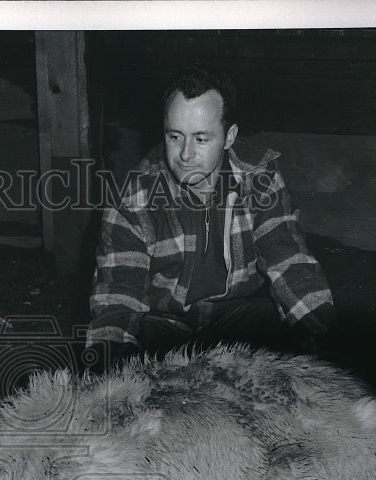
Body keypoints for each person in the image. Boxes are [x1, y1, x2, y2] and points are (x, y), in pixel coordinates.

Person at [87, 64, 336, 364]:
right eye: (175, 136)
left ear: (229, 137)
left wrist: (328, 342)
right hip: (163, 324)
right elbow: (118, 296)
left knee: (295, 353)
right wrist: (106, 369)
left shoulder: (261, 180)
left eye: (201, 138)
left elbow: (290, 262)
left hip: (237, 315)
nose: (185, 155)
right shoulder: (131, 197)